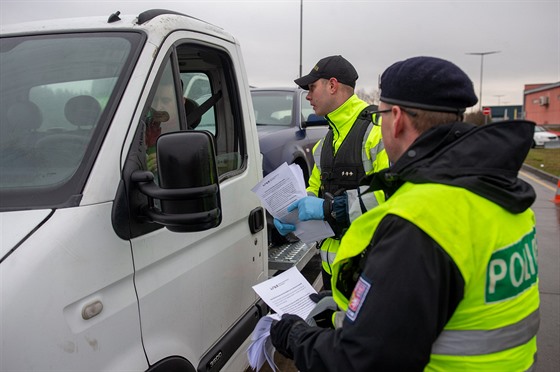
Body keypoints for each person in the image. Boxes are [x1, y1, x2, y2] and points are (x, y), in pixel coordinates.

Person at [270, 56, 540, 371]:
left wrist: (293, 335)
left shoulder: (420, 221)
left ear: (395, 118)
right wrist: (343, 316)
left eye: (382, 113)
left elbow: (363, 360)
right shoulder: (503, 196)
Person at [274, 55, 389, 290]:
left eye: (312, 87)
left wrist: (329, 209)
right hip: (331, 275)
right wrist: (291, 217)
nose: (307, 96)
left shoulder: (377, 132)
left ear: (333, 85)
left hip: (370, 275)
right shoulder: (325, 143)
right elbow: (312, 194)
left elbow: (390, 198)